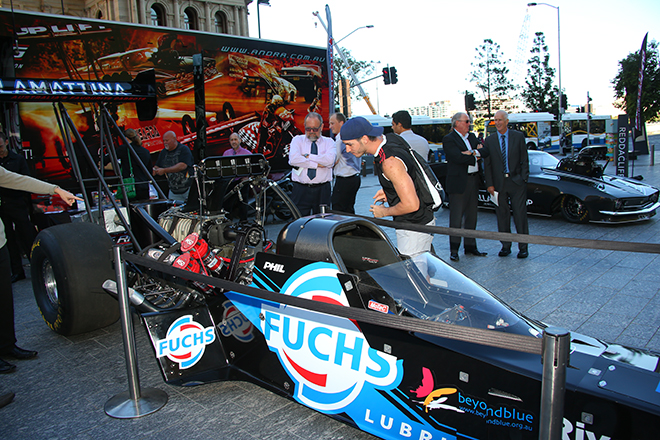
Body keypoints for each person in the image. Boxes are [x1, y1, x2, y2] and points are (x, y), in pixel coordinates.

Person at [0, 166, 80, 374]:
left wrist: (55, 189)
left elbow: (16, 179)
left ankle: (6, 346)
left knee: (4, 298)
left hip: (0, 244)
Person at [340, 116, 435, 257]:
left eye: (350, 144)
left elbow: (411, 204)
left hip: (413, 226)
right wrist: (390, 190)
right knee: (421, 270)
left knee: (414, 274)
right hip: (419, 222)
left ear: (365, 139)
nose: (347, 150)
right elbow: (409, 173)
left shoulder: (389, 162)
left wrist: (384, 212)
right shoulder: (391, 140)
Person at [482, 110, 530, 258]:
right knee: (502, 216)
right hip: (498, 184)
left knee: (520, 216)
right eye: (495, 120)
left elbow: (524, 159)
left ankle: (523, 247)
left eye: (500, 120)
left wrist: (523, 179)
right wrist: (489, 184)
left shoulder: (518, 137)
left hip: (516, 182)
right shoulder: (490, 140)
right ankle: (505, 246)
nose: (497, 123)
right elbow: (487, 164)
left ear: (507, 121)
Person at [443, 112, 488, 261]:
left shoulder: (472, 137)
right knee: (456, 218)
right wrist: (474, 154)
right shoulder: (449, 139)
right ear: (457, 123)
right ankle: (454, 250)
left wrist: (472, 152)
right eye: (467, 121)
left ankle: (470, 247)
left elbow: (485, 151)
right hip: (459, 183)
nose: (469, 124)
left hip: (474, 181)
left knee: (472, 216)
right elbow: (456, 157)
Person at [0, 132, 36, 283]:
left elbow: (25, 180)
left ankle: (36, 267)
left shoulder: (18, 159)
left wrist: (28, 207)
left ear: (7, 142)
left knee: (27, 236)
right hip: (3, 206)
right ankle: (17, 271)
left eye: (0, 146)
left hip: (17, 203)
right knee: (9, 240)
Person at [288, 112, 335, 216]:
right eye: (308, 129)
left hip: (322, 190)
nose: (312, 132)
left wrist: (307, 156)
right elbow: (293, 160)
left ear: (322, 127)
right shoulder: (297, 140)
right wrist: (318, 164)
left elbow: (330, 161)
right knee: (298, 221)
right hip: (300, 189)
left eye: (315, 129)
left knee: (323, 222)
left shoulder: (329, 142)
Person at [104, 129, 152, 201]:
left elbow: (107, 159)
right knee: (143, 209)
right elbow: (149, 170)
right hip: (143, 186)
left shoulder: (124, 149)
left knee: (131, 210)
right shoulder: (145, 151)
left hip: (130, 187)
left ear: (125, 138)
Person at [329, 113, 361, 214]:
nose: (330, 126)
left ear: (341, 123)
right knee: (349, 210)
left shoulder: (341, 139)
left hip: (344, 180)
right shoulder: (354, 136)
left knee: (338, 211)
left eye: (332, 123)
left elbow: (332, 160)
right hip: (355, 178)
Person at [153, 131, 194, 202]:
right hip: (173, 191)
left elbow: (183, 166)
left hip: (188, 189)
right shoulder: (163, 153)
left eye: (167, 140)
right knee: (173, 210)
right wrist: (154, 170)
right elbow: (157, 165)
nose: (165, 143)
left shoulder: (184, 149)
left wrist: (164, 170)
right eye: (164, 141)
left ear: (174, 139)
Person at [222, 133, 252, 220]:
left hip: (242, 182)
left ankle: (244, 223)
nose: (233, 142)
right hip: (230, 182)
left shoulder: (247, 153)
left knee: (242, 204)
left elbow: (253, 168)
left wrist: (247, 177)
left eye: (235, 139)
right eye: (231, 140)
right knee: (227, 204)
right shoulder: (226, 153)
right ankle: (227, 223)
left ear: (240, 140)